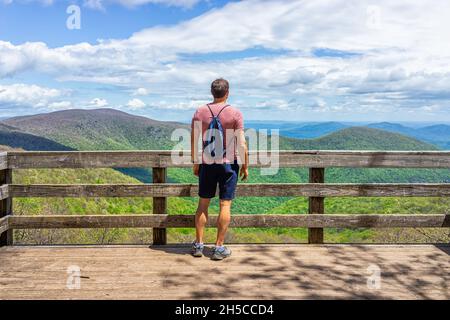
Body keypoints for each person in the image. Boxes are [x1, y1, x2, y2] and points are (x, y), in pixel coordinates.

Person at [190, 78, 249, 260]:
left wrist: (196, 162)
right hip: (228, 164)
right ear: (227, 92)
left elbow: (194, 141)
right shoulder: (234, 113)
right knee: (225, 204)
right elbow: (242, 143)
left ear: (212, 92)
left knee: (203, 204)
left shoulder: (200, 112)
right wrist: (245, 165)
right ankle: (218, 248)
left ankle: (199, 245)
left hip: (207, 163)